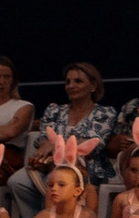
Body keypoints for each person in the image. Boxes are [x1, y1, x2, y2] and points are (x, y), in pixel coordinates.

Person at [39, 62, 118, 190]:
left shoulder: (104, 113)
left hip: (88, 167)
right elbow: (43, 139)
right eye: (68, 82)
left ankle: (53, 210)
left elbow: (93, 143)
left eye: (78, 81)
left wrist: (55, 145)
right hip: (50, 164)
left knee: (54, 180)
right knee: (17, 181)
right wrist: (45, 145)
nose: (71, 86)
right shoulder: (54, 110)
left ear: (93, 86)